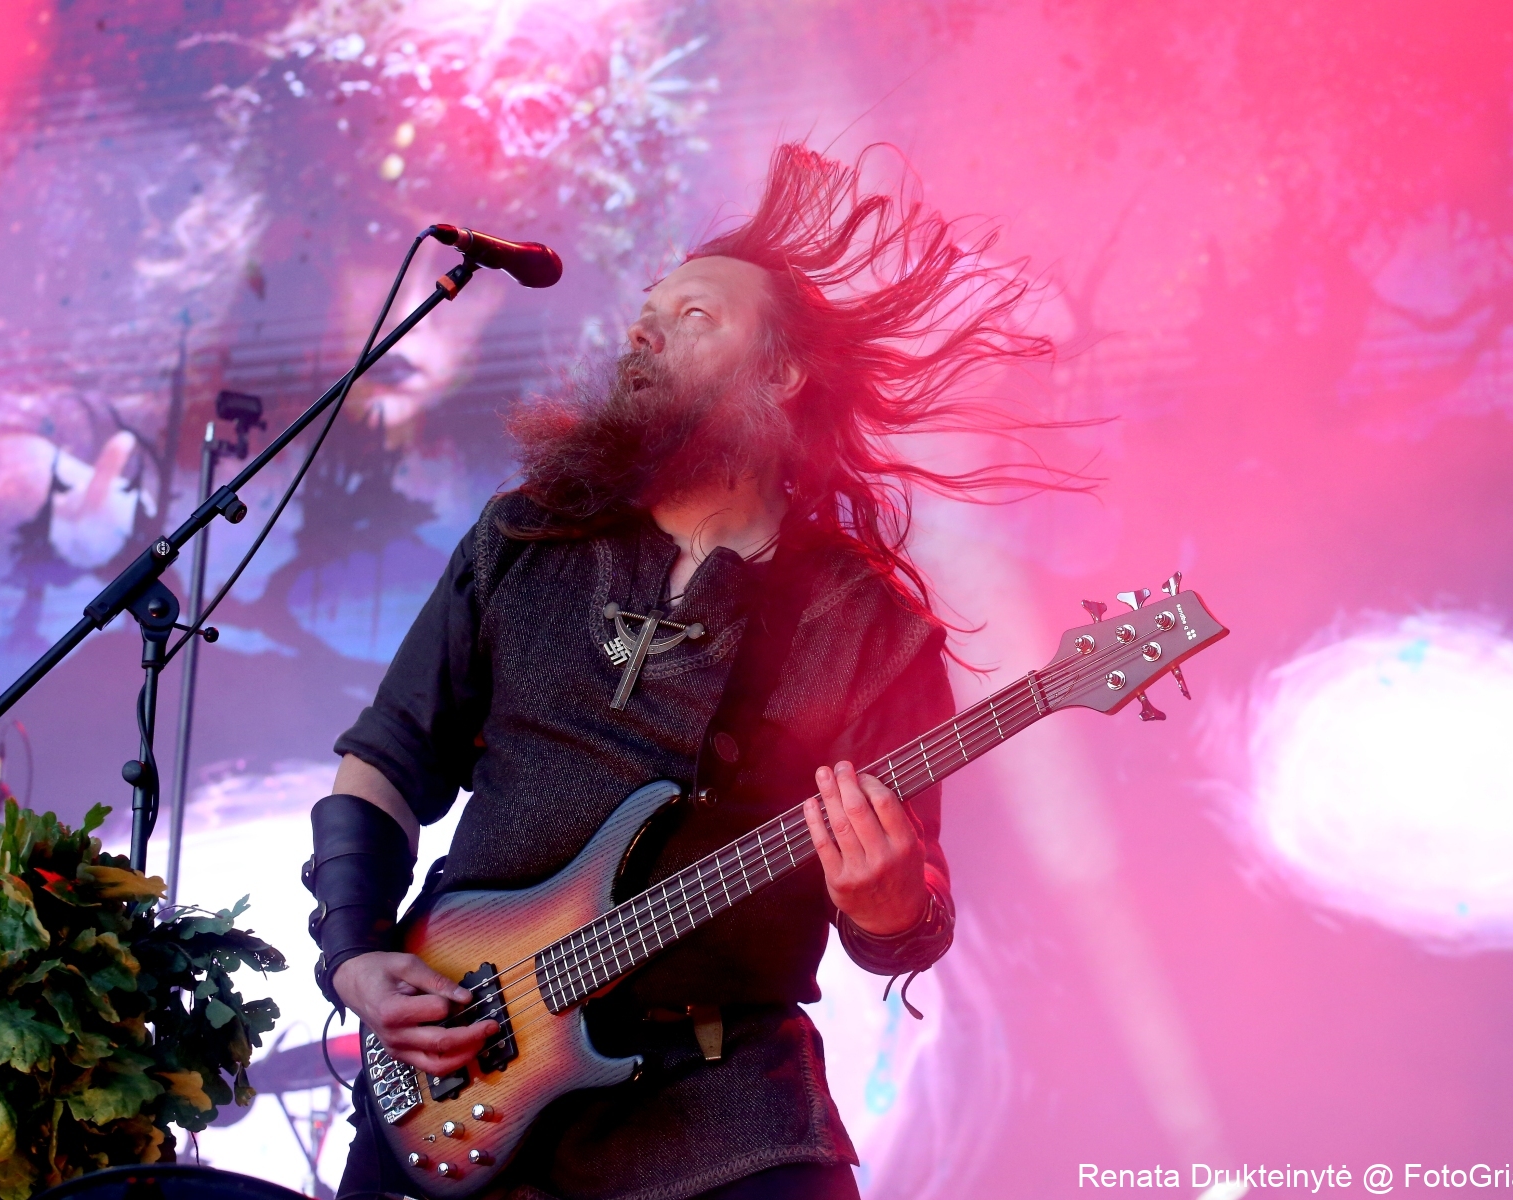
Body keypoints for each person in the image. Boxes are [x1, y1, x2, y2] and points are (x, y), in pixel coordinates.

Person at [303, 143, 1053, 1200]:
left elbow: (907, 920)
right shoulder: (526, 538)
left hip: (724, 1119)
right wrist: (353, 953)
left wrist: (890, 906)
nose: (645, 331)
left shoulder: (871, 630)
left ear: (781, 376)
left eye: (695, 314)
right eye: (646, 314)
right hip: (458, 1077)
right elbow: (385, 761)